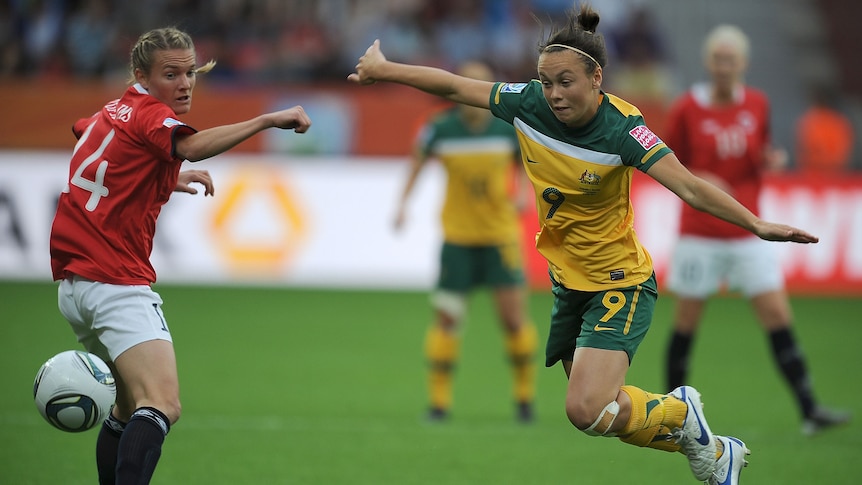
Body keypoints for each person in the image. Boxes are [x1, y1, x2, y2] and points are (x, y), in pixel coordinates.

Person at [349, 4, 820, 484]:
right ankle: (705, 442)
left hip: (621, 281)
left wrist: (756, 223)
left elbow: (690, 186)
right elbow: (453, 86)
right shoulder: (526, 103)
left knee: (584, 409)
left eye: (565, 82)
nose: (553, 94)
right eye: (546, 81)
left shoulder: (623, 128)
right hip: (568, 283)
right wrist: (385, 70)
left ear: (596, 77)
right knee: (601, 413)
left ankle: (684, 420)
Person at [49, 27, 311, 485]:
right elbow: (188, 145)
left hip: (75, 287)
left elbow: (96, 152)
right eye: (171, 74)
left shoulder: (112, 112)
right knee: (162, 405)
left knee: (128, 407)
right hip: (115, 283)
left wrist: (164, 179)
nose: (185, 83)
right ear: (141, 76)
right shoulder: (151, 115)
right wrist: (266, 120)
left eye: (190, 72)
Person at [662, 25, 852, 438]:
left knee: (778, 316)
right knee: (686, 322)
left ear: (743, 64)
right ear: (709, 62)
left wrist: (772, 157)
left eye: (731, 60)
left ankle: (809, 408)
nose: (724, 67)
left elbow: (759, 150)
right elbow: (665, 162)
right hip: (701, 231)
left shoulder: (757, 105)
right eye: (718, 59)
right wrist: (704, 175)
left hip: (750, 231)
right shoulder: (686, 109)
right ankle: (667, 417)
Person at [393, 60, 538, 423]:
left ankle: (524, 399)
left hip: (499, 238)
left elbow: (527, 166)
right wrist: (402, 204)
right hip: (457, 238)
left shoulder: (507, 128)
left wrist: (522, 193)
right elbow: (415, 164)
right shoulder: (439, 129)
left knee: (513, 319)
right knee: (447, 319)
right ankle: (438, 404)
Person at [794, 82, 855, 175]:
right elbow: (803, 148)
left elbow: (841, 153)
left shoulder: (836, 122)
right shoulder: (809, 120)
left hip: (831, 174)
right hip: (814, 174)